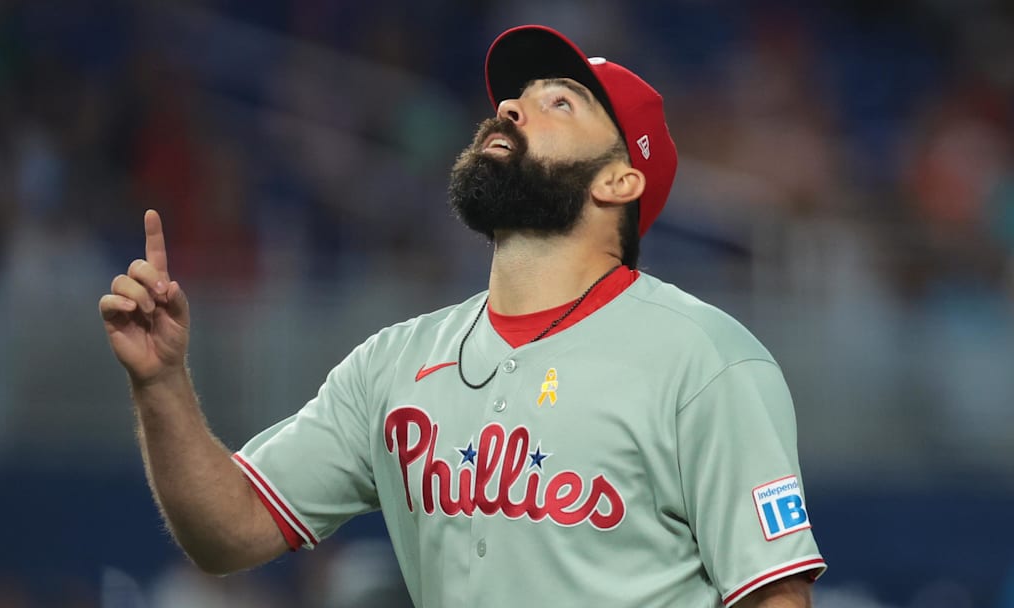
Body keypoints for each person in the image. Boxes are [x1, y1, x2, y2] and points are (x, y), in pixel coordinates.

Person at [99, 25, 826, 608]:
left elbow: (775, 594)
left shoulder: (704, 359)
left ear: (619, 179)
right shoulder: (395, 363)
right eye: (516, 98)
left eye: (560, 102)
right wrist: (161, 385)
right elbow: (228, 530)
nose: (512, 107)